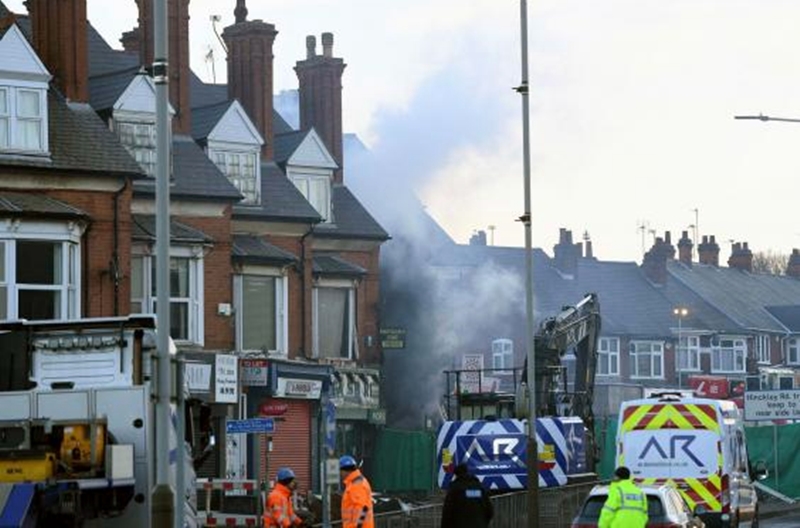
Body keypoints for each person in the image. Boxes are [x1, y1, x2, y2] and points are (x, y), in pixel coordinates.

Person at [440, 463, 493, 528]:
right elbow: (489, 510)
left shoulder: (455, 489)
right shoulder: (478, 487)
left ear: (456, 475)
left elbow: (447, 512)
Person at [339, 455, 374, 528]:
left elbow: (361, 509)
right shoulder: (355, 483)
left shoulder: (356, 485)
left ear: (345, 470)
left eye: (340, 470)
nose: (340, 474)